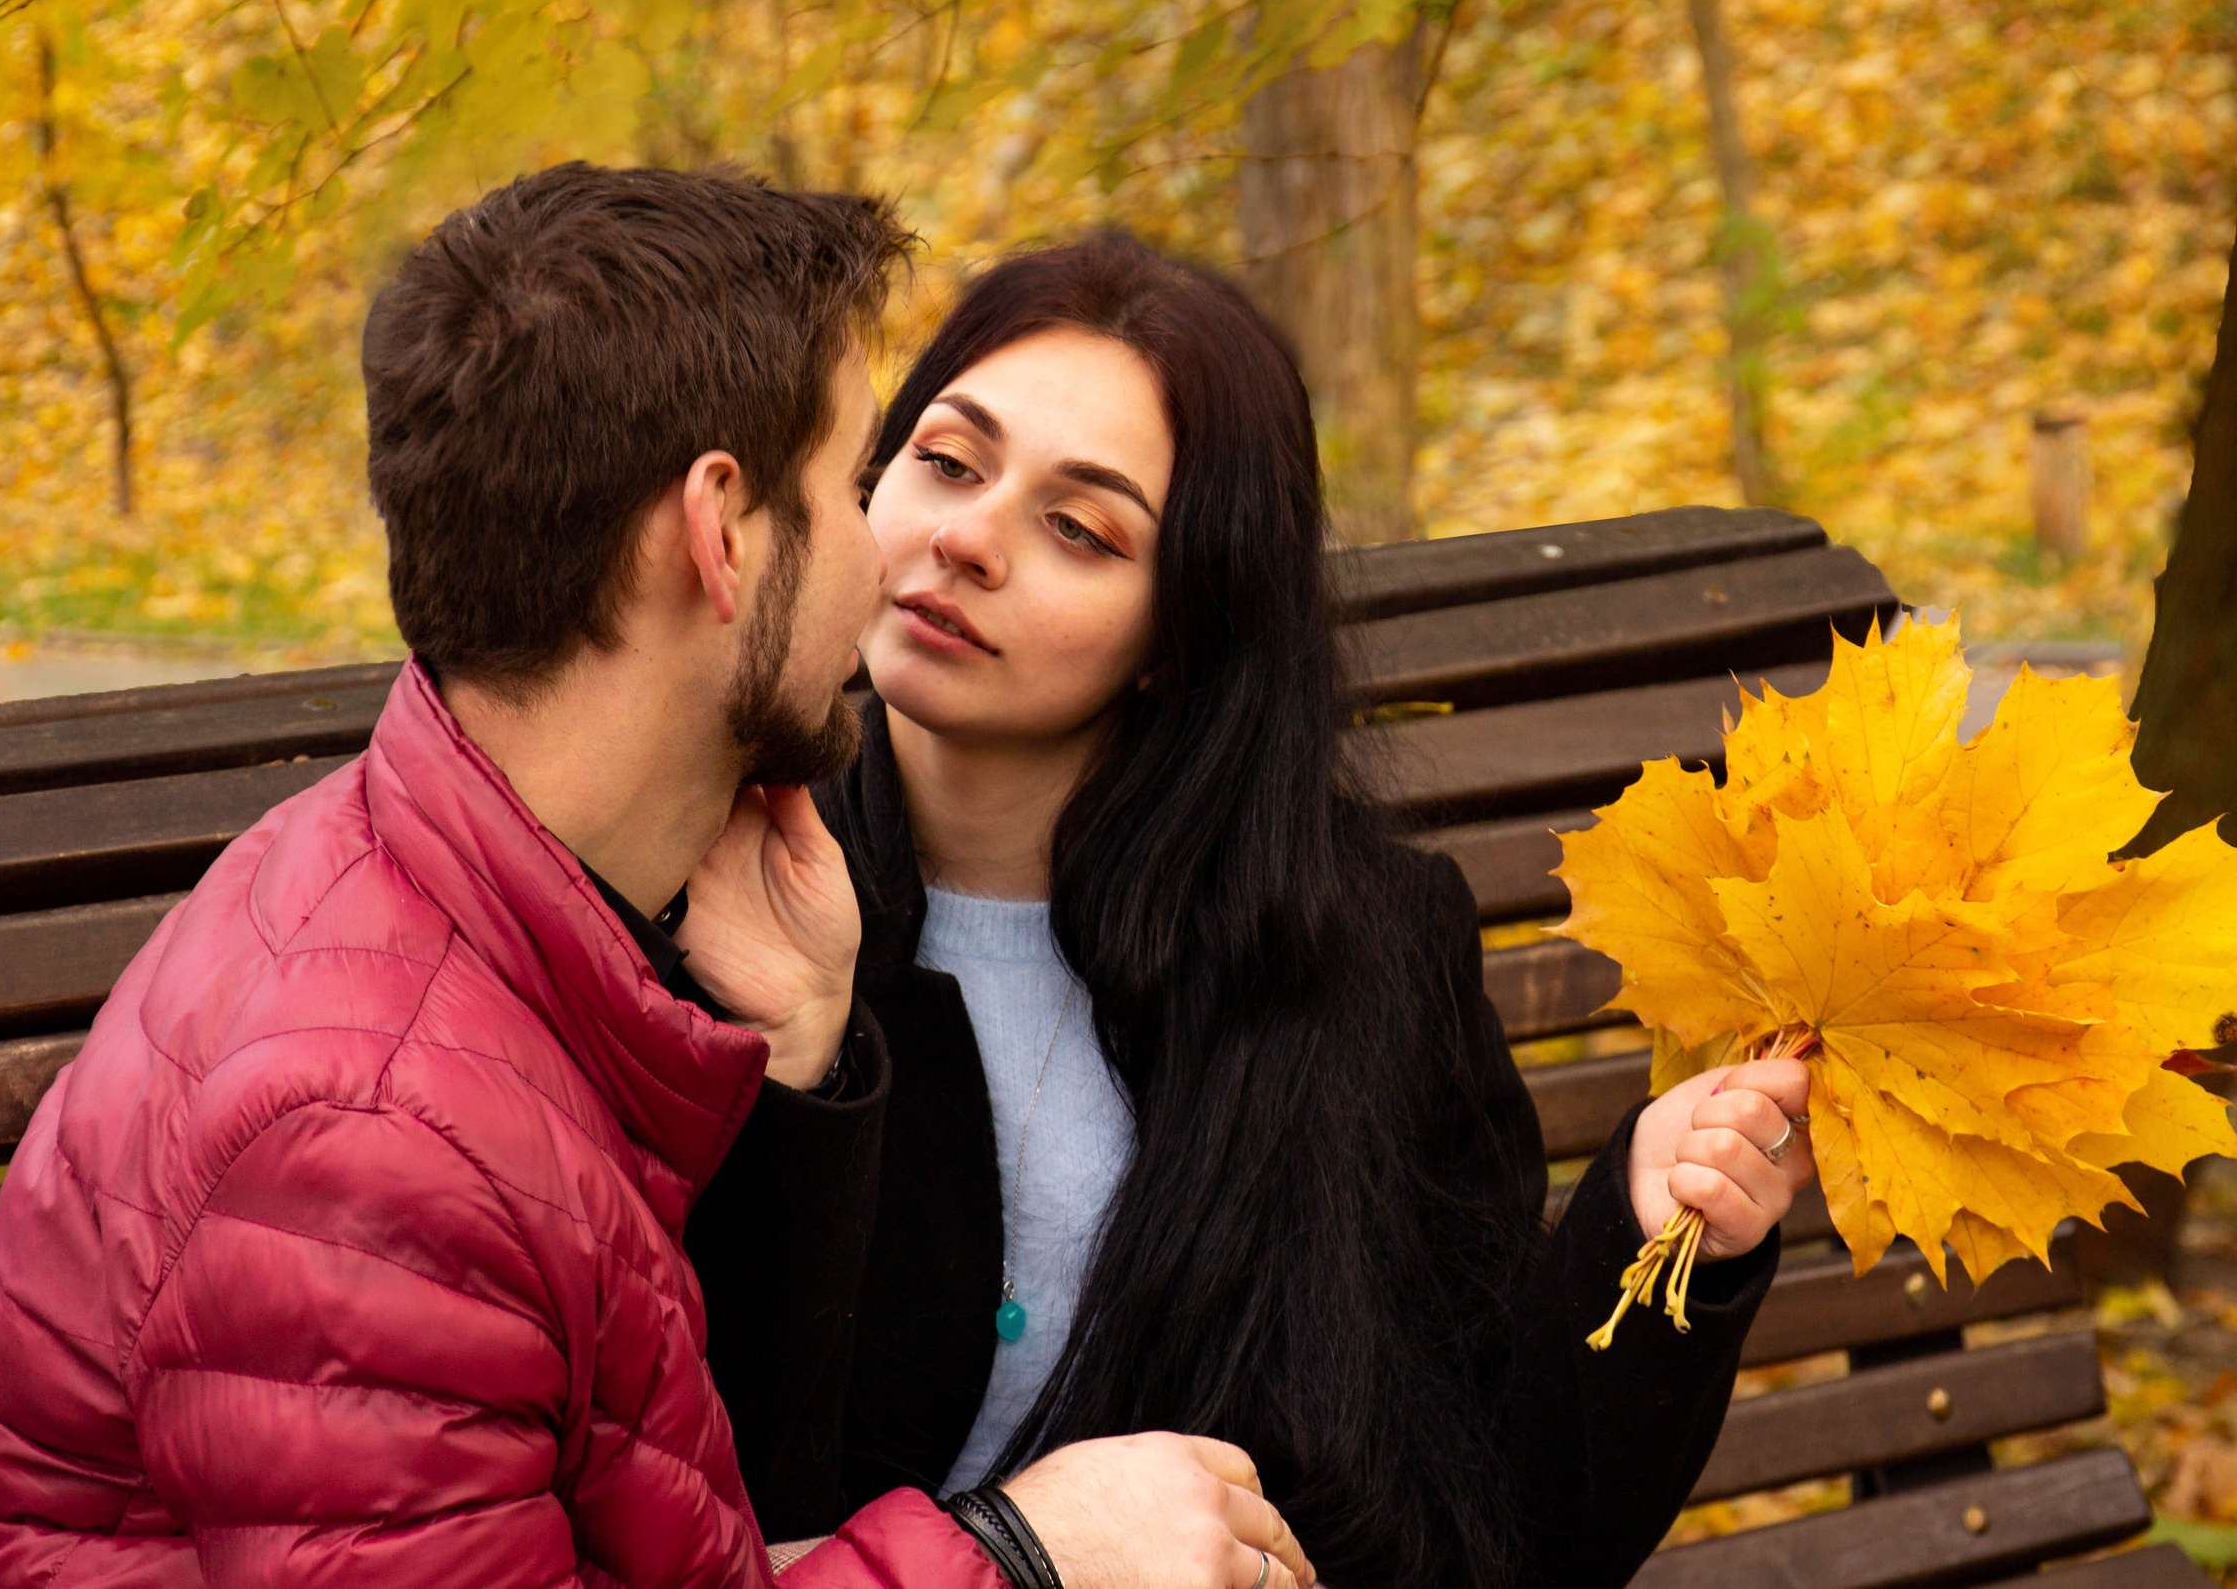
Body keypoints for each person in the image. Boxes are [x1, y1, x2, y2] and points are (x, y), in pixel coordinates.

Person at [0, 169, 1316, 1589]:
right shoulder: (377, 1145)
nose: (896, 547)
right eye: (849, 485)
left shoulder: (474, 891)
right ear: (720, 532)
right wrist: (1019, 1556)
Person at [681, 232, 1818, 1589]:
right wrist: (797, 1083)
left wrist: (1651, 1228)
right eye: (948, 459)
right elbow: (677, 1494)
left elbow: (1497, 1518)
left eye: (1078, 528)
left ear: (1179, 632)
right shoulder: (709, 890)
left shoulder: (1347, 952)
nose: (968, 538)